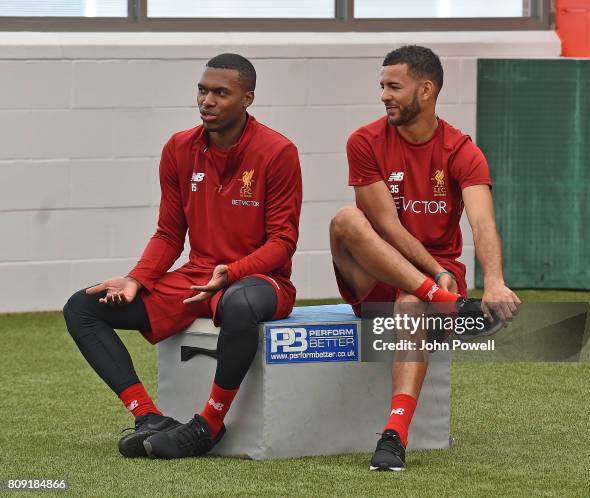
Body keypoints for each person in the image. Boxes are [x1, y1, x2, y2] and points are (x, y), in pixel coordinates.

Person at [63, 53, 302, 459]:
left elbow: (283, 241)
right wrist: (136, 279)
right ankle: (149, 417)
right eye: (202, 90)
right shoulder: (178, 148)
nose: (207, 100)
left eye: (220, 93)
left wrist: (234, 273)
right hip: (196, 277)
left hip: (261, 281)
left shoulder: (278, 151)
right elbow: (170, 233)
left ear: (247, 98)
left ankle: (208, 425)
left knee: (240, 303)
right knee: (83, 307)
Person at [329, 45, 520, 471]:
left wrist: (494, 283)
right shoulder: (363, 141)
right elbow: (389, 227)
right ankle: (453, 307)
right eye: (381, 86)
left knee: (412, 304)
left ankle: (394, 435)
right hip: (382, 268)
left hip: (433, 276)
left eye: (394, 86)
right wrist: (434, 277)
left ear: (427, 89)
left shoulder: (462, 150)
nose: (383, 95)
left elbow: (482, 222)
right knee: (345, 220)